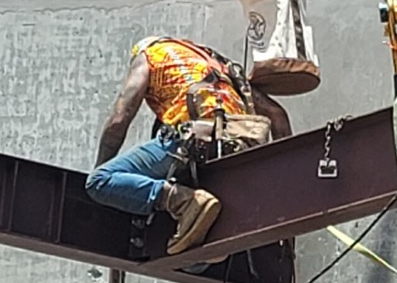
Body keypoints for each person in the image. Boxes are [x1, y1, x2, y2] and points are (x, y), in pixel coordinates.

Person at [86, 37, 291, 255]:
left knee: (99, 181)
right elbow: (277, 115)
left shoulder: (149, 56)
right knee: (195, 262)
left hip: (191, 141)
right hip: (236, 148)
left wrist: (102, 167)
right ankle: (203, 228)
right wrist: (281, 183)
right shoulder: (218, 65)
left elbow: (120, 118)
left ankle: (182, 202)